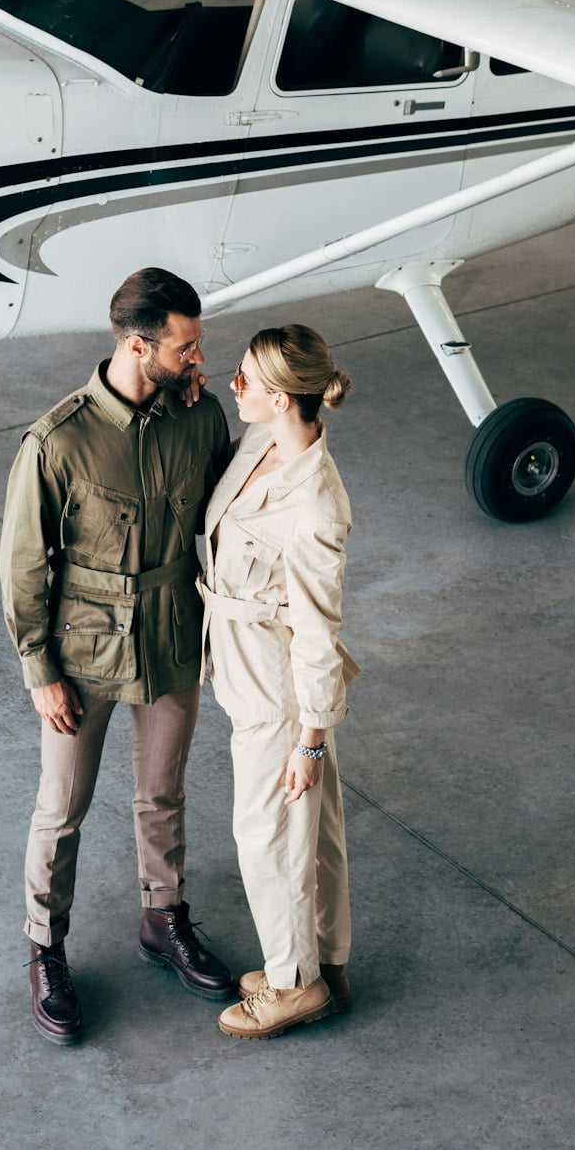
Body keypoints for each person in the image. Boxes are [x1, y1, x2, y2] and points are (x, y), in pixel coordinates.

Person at [0, 265, 237, 1045]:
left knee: (161, 793)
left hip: (170, 634)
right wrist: (40, 670)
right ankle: (45, 949)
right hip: (84, 649)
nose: (197, 358)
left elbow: (229, 508)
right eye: (186, 346)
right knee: (61, 808)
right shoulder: (58, 440)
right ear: (141, 346)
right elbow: (24, 565)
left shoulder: (197, 420)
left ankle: (161, 919)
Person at [199, 322, 357, 1041]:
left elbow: (319, 629)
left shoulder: (315, 505)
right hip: (244, 660)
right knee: (310, 831)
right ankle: (322, 959)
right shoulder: (258, 445)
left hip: (278, 687)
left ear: (286, 398)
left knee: (269, 836)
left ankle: (294, 985)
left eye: (248, 382)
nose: (234, 388)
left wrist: (311, 741)